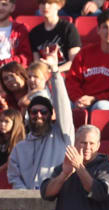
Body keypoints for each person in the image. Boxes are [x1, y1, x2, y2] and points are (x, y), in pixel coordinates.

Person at [40, 125, 109, 210]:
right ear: (75, 143)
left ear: (98, 146)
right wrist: (64, 175)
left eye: (91, 143)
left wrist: (79, 167)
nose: (87, 147)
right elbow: (46, 194)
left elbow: (100, 192)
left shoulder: (106, 169)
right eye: (83, 143)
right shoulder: (64, 167)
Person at [8, 50, 75, 190]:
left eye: (43, 112)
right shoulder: (19, 148)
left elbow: (63, 106)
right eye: (34, 112)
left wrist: (55, 72)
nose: (38, 115)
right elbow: (14, 177)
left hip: (57, 201)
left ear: (51, 115)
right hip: (27, 206)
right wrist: (27, 197)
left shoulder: (62, 135)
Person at [65, 9, 109, 112]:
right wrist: (78, 98)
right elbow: (72, 80)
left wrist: (95, 99)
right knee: (63, 105)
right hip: (81, 100)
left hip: (105, 102)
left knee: (103, 107)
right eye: (105, 27)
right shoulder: (85, 53)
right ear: (98, 30)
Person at [30, 0, 81, 73]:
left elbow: (74, 61)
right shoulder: (34, 33)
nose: (45, 6)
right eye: (42, 3)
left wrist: (54, 71)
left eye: (50, 3)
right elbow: (37, 63)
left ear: (59, 6)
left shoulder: (68, 29)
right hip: (44, 78)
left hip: (65, 75)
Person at [0, 0, 32, 68]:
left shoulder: (20, 30)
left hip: (10, 72)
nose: (0, 7)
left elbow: (26, 57)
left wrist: (4, 63)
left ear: (12, 7)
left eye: (4, 4)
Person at [0, 109, 25, 173]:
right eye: (1, 121)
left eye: (6, 121)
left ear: (15, 123)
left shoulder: (20, 143)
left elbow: (9, 164)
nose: (2, 124)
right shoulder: (2, 139)